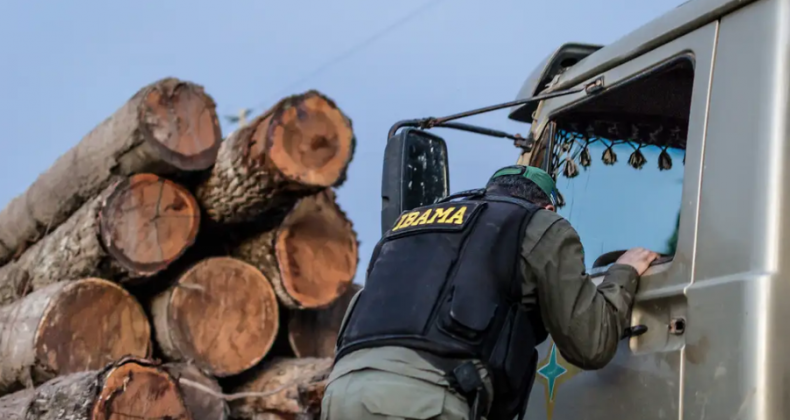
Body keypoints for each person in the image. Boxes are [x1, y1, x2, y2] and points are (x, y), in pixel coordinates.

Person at [321, 165, 659, 420]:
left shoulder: (408, 226)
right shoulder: (539, 223)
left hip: (340, 394)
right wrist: (624, 271)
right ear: (548, 209)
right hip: (421, 402)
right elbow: (591, 345)